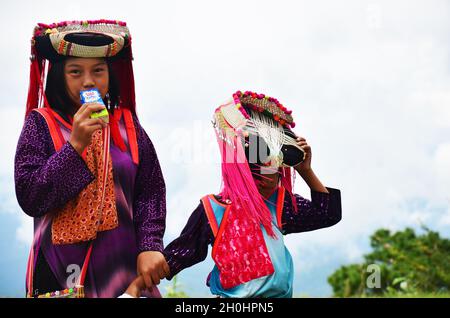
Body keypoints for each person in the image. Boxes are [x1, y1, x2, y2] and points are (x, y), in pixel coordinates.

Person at [126, 90, 342, 298]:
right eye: (258, 162)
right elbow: (179, 255)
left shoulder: (279, 205)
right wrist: (136, 286)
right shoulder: (215, 210)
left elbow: (327, 214)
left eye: (276, 167)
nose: (269, 172)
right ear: (239, 165)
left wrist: (305, 171)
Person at [15, 20, 168, 298]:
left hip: (126, 274)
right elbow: (30, 196)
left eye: (98, 70)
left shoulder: (128, 126)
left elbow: (150, 190)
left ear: (110, 75)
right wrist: (75, 146)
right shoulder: (40, 124)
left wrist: (150, 244)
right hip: (60, 273)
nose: (88, 81)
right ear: (60, 77)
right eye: (75, 72)